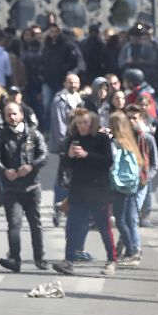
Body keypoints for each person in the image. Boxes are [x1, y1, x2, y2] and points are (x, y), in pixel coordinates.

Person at [52, 108, 116, 276]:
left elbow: (108, 161)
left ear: (92, 122)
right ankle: (69, 261)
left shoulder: (101, 139)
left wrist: (87, 155)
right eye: (79, 123)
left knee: (104, 227)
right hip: (78, 191)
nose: (82, 126)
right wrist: (70, 156)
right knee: (73, 227)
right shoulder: (73, 139)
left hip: (98, 191)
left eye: (85, 122)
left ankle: (111, 260)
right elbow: (66, 165)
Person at [0, 102, 48, 272]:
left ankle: (39, 258)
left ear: (22, 114)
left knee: (35, 224)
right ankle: (15, 259)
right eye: (8, 114)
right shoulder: (0, 137)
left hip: (32, 187)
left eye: (15, 113)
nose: (12, 117)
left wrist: (31, 166)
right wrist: (4, 170)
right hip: (11, 189)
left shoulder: (33, 135)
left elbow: (44, 155)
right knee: (14, 224)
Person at [108, 111, 143, 270]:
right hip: (130, 185)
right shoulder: (129, 141)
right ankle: (133, 249)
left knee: (120, 220)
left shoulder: (115, 143)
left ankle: (131, 251)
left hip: (118, 186)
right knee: (129, 219)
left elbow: (111, 162)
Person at [48, 73, 82, 227]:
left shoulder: (79, 99)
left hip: (78, 143)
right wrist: (65, 144)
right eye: (70, 82)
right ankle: (58, 208)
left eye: (75, 82)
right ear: (64, 83)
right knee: (63, 178)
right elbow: (59, 124)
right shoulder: (60, 100)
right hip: (66, 144)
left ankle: (71, 209)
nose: (73, 85)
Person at [125, 104, 158, 228]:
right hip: (124, 181)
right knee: (125, 216)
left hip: (141, 181)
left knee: (132, 213)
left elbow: (155, 162)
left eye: (135, 118)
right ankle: (127, 242)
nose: (131, 121)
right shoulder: (120, 138)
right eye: (129, 118)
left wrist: (148, 176)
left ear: (140, 119)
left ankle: (133, 245)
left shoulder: (147, 138)